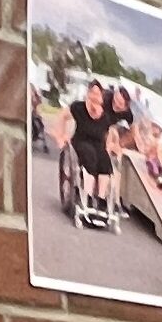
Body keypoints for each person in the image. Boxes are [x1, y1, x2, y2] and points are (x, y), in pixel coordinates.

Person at [54, 79, 119, 224]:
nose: (95, 97)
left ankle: (101, 200)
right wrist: (61, 136)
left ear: (101, 97)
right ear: (88, 94)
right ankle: (87, 198)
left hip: (98, 145)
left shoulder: (105, 116)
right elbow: (62, 116)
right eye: (92, 93)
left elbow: (109, 134)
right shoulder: (79, 108)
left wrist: (111, 146)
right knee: (89, 157)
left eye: (98, 94)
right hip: (81, 141)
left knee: (104, 162)